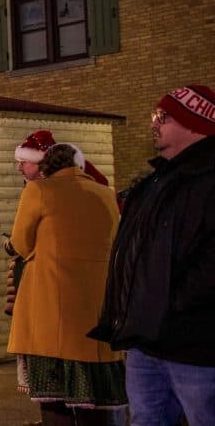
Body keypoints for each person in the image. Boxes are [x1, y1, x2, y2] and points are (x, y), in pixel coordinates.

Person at [89, 84, 215, 425]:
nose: (154, 124)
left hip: (195, 344)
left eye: (164, 117)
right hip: (146, 341)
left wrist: (171, 302)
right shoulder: (155, 181)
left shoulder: (206, 180)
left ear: (196, 123)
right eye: (154, 116)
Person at [8, 144, 126, 425]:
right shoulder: (106, 194)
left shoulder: (38, 191)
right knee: (96, 406)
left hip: (50, 314)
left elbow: (21, 244)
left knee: (54, 402)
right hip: (97, 313)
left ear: (46, 167)